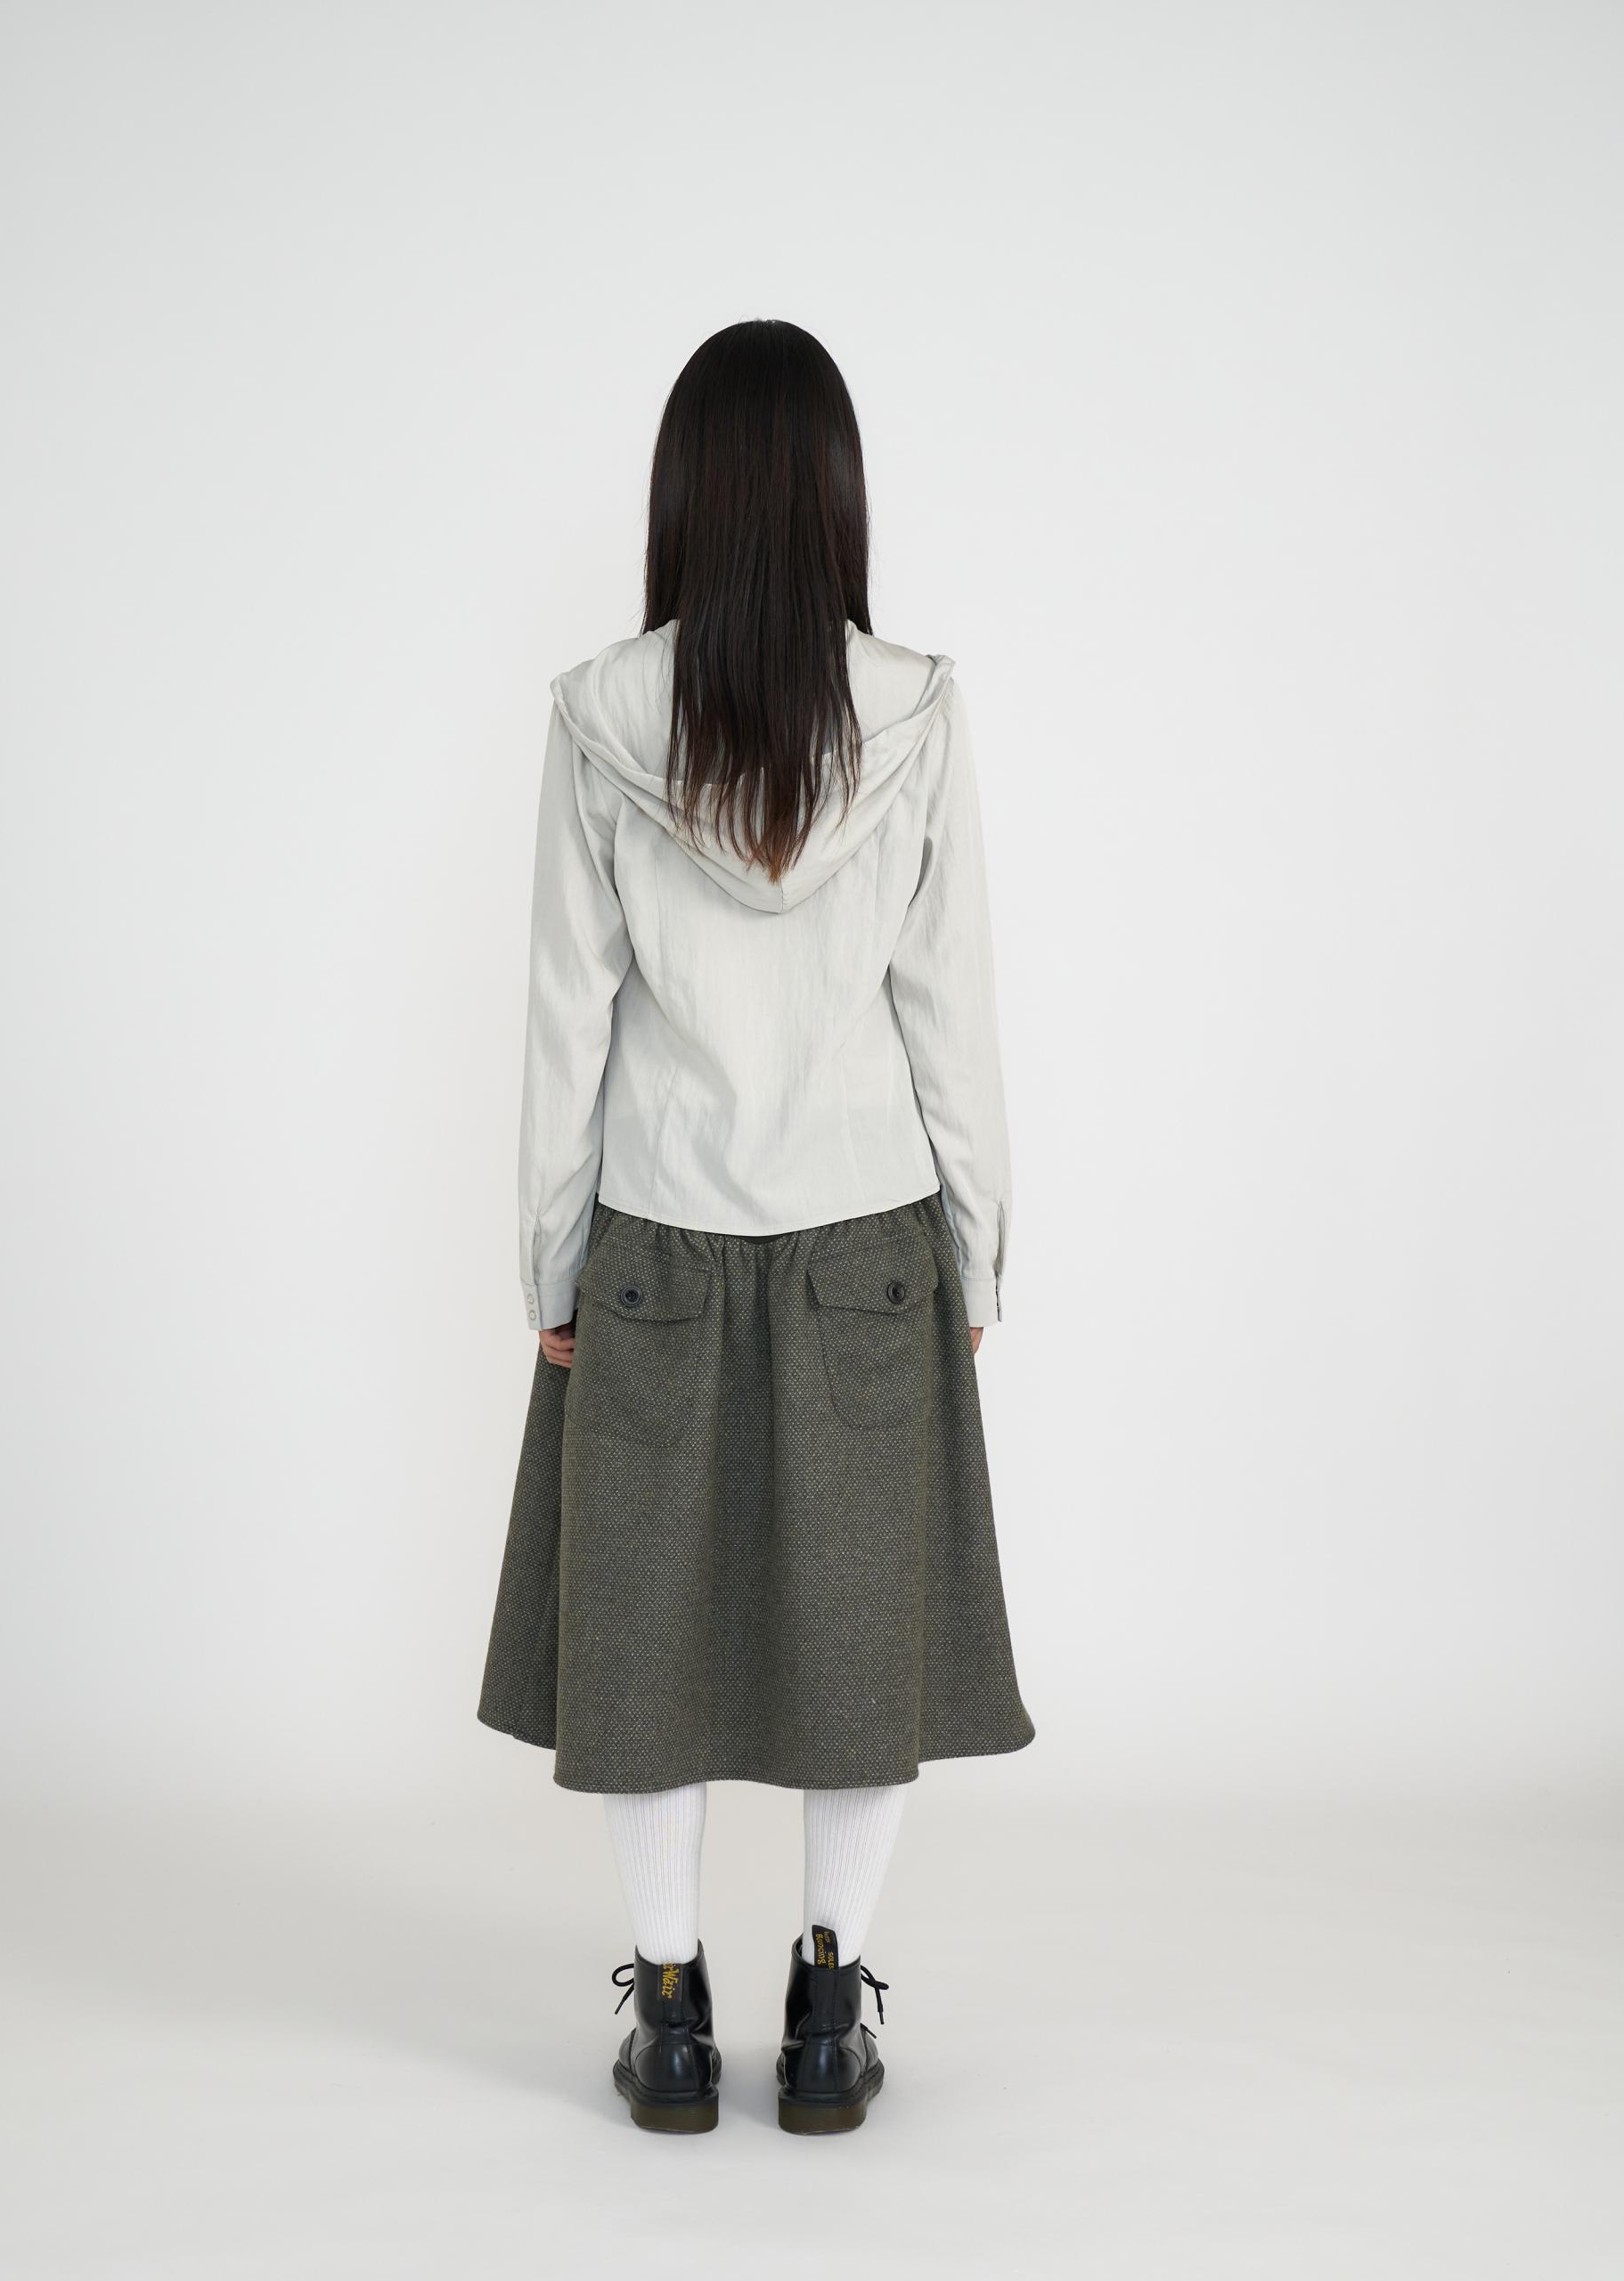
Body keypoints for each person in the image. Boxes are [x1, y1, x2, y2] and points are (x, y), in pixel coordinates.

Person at [477, 318, 1033, 2136]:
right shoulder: (916, 711)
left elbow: (566, 1017)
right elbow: (951, 1006)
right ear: (834, 500)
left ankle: (667, 2012)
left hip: (656, 1231)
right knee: (860, 1639)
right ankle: (827, 2008)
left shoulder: (599, 715)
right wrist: (979, 1248)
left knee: (643, 1638)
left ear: (685, 501)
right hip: (867, 1234)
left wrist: (548, 1260)